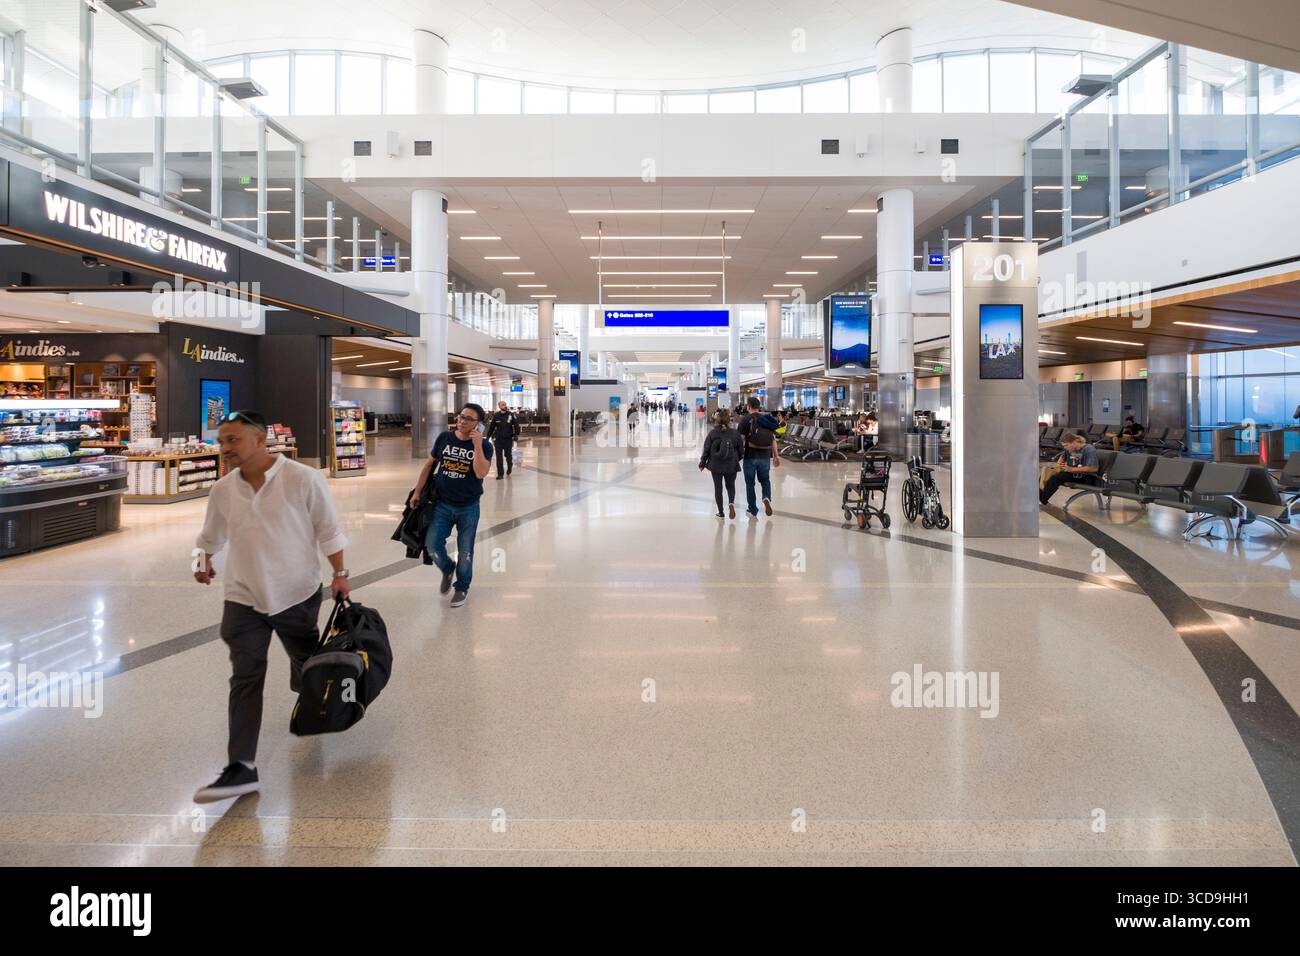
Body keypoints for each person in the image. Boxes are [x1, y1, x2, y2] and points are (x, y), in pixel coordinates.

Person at [191, 409, 350, 803]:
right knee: (245, 677)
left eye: (233, 440)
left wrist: (341, 575)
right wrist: (202, 559)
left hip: (295, 594)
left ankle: (307, 686)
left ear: (261, 440)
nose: (224, 448)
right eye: (222, 440)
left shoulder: (303, 479)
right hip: (243, 598)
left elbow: (328, 529)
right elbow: (210, 535)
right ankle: (241, 766)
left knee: (305, 663)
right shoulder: (223, 489)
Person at [409, 403, 492, 608]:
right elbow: (429, 465)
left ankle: (462, 587)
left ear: (478, 425)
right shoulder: (444, 438)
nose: (462, 421)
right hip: (442, 504)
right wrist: (417, 491)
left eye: (468, 419)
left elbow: (481, 473)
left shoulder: (485, 446)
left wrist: (478, 445)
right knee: (432, 545)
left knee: (465, 552)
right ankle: (447, 567)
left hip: (469, 507)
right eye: (461, 416)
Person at [738, 396, 782, 517]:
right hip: (765, 455)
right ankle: (766, 498)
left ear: (748, 407)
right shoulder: (767, 419)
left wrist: (738, 455)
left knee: (750, 483)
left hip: (750, 455)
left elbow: (740, 439)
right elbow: (773, 440)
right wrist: (776, 456)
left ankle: (752, 510)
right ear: (759, 407)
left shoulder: (745, 420)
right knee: (765, 480)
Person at [699, 408, 745, 519]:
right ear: (729, 421)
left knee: (718, 488)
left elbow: (706, 449)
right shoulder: (735, 433)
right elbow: (741, 451)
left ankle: (721, 513)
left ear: (717, 420)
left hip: (716, 465)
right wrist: (734, 459)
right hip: (731, 465)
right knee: (730, 486)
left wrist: (702, 462)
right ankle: (731, 503)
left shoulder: (713, 433)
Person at [1039, 432, 1100, 505]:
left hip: (1086, 477)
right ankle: (1039, 499)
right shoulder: (1069, 449)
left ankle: (1042, 500)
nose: (1065, 448)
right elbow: (1062, 457)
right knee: (1044, 475)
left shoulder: (1088, 449)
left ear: (1074, 442)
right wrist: (1059, 465)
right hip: (1073, 474)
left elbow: (1093, 469)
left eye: (1066, 445)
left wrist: (1071, 469)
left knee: (1056, 478)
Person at [485, 400, 519, 480]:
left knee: (508, 455)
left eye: (505, 404)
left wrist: (516, 434)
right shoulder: (496, 415)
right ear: (499, 407)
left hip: (508, 439)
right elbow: (492, 427)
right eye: (503, 405)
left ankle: (509, 467)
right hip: (498, 440)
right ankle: (500, 474)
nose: (505, 406)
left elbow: (516, 425)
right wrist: (488, 437)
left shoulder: (511, 415)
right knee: (499, 457)